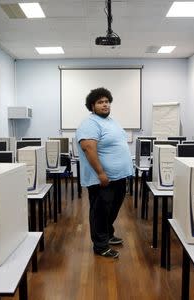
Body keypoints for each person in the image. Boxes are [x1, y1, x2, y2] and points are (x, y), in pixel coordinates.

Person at [75, 87, 133, 259]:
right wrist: (101, 173)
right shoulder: (90, 123)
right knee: (100, 211)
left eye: (107, 101)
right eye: (100, 102)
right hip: (102, 179)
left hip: (119, 177)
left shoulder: (111, 121)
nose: (105, 105)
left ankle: (107, 234)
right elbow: (88, 148)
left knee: (112, 209)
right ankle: (100, 246)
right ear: (92, 106)